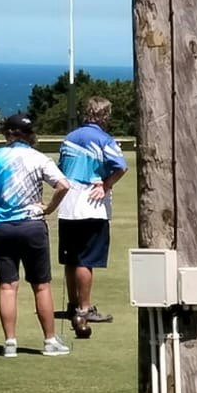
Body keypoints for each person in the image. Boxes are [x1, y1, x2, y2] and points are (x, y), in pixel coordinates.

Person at [0, 115, 72, 358]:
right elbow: (63, 185)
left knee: (7, 285)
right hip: (32, 225)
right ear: (29, 135)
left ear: (7, 134)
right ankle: (50, 341)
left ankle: (10, 342)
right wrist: (49, 208)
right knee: (41, 285)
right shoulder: (39, 158)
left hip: (1, 227)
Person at [56, 96, 128, 338]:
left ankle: (72, 305)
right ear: (104, 116)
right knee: (86, 260)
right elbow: (121, 166)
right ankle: (85, 309)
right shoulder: (104, 139)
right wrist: (106, 184)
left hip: (67, 206)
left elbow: (60, 169)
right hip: (91, 206)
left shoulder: (69, 138)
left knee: (71, 259)